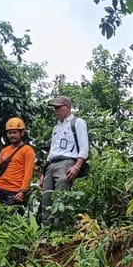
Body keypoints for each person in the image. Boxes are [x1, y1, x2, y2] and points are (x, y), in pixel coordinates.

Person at [37, 95, 89, 231]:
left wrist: (77, 166)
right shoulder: (56, 127)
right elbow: (52, 150)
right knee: (46, 198)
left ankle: (58, 232)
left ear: (68, 107)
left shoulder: (77, 122)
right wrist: (43, 172)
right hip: (51, 164)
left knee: (61, 198)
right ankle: (45, 233)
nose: (56, 110)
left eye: (59, 107)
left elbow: (84, 147)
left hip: (66, 162)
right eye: (55, 107)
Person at [0, 116, 36, 208]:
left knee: (11, 220)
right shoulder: (4, 151)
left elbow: (28, 173)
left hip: (14, 191)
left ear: (22, 133)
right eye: (9, 133)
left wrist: (22, 191)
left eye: (15, 132)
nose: (11, 135)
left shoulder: (28, 150)